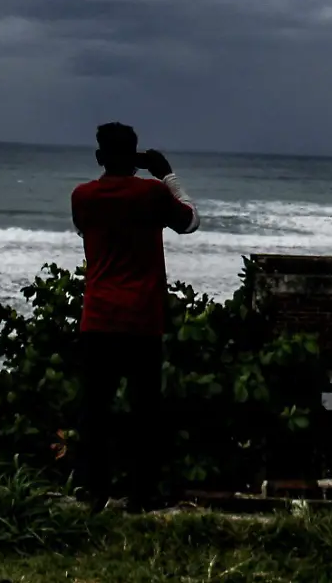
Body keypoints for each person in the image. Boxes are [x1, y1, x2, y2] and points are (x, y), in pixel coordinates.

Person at [70, 121, 199, 509]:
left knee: (95, 410)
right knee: (145, 411)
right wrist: (168, 175)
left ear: (98, 157)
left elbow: (84, 232)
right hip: (143, 318)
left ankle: (95, 492)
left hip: (98, 317)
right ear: (137, 158)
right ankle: (140, 496)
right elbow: (190, 221)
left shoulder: (83, 197)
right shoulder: (153, 193)